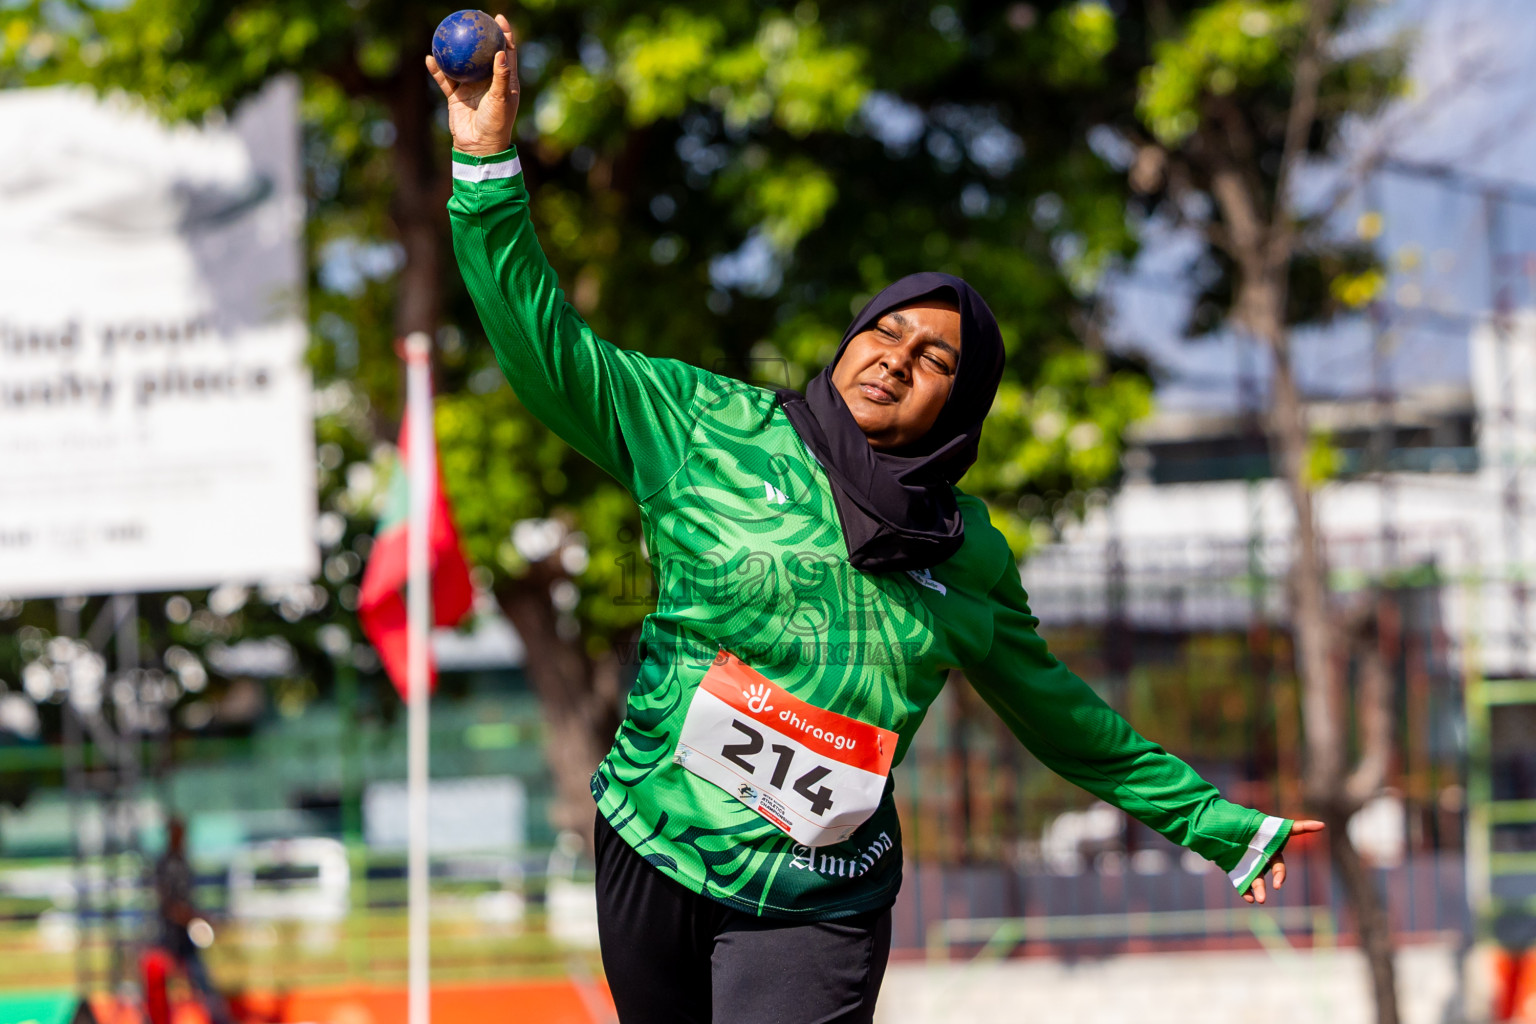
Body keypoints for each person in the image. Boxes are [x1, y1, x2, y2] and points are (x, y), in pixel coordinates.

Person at [429, 22, 1325, 1023]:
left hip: (816, 899)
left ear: (961, 403)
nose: (895, 358)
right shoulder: (713, 425)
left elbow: (1060, 714)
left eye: (935, 359)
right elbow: (545, 347)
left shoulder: (968, 551)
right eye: (884, 330)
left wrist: (1212, 822)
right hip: (652, 841)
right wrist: (486, 161)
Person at [152, 818, 231, 1024]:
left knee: (202, 983)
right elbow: (169, 905)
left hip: (186, 937)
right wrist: (195, 917)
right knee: (165, 986)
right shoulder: (166, 865)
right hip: (169, 937)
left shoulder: (183, 862)